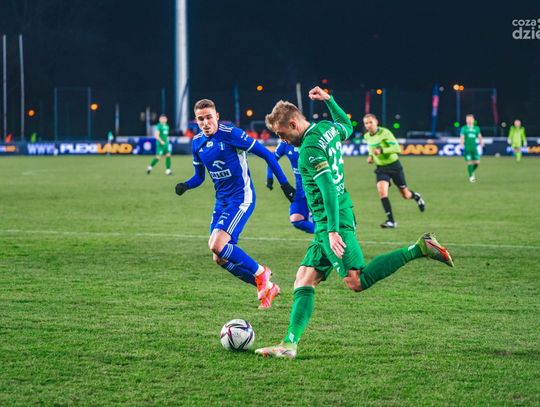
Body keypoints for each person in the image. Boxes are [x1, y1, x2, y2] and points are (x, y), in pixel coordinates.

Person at [255, 87, 453, 359]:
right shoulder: (326, 128)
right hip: (333, 215)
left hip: (332, 220)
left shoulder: (309, 148)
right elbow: (347, 126)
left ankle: (420, 248)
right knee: (304, 278)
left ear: (293, 124)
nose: (282, 140)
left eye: (281, 134)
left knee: (356, 281)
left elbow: (327, 188)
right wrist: (329, 100)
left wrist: (332, 230)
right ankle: (289, 345)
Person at [174, 99, 296, 309]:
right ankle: (268, 287)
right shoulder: (197, 143)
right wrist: (186, 185)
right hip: (221, 201)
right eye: (201, 119)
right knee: (218, 257)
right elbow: (199, 177)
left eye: (209, 117)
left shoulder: (231, 134)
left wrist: (285, 185)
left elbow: (267, 155)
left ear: (217, 116)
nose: (205, 123)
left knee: (217, 245)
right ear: (196, 120)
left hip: (241, 198)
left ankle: (261, 272)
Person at [363, 114, 425, 229]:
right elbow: (371, 149)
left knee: (405, 195)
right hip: (381, 168)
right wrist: (371, 157)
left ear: (376, 122)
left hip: (394, 166)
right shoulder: (367, 136)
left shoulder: (385, 133)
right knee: (382, 192)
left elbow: (397, 148)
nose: (369, 125)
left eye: (370, 122)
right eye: (366, 123)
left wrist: (381, 150)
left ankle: (416, 196)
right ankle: (391, 221)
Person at [266, 141, 315, 234]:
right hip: (300, 190)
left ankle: (326, 237)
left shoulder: (310, 140)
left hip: (315, 190)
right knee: (296, 220)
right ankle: (325, 235)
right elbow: (272, 158)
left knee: (318, 219)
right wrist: (269, 177)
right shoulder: (285, 144)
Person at [459, 114, 484, 182]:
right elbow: (462, 137)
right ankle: (471, 177)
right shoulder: (464, 128)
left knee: (477, 162)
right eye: (468, 119)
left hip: (474, 149)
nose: (469, 120)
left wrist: (482, 144)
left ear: (473, 120)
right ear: (466, 120)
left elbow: (480, 137)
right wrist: (461, 145)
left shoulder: (476, 128)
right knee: (469, 162)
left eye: (470, 119)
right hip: (467, 149)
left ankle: (471, 172)